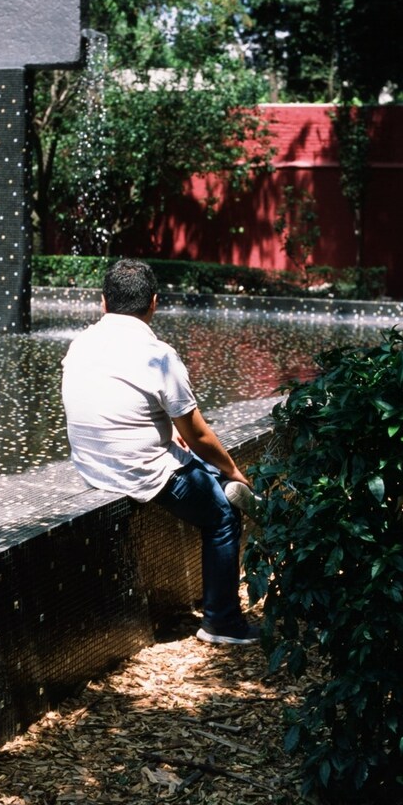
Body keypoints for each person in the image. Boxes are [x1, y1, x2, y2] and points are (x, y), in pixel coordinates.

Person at [61, 258, 260, 645]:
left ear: (103, 302)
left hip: (91, 464)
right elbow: (198, 433)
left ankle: (220, 586)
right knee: (223, 513)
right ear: (154, 303)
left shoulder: (80, 341)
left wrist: (171, 438)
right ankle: (222, 622)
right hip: (138, 470)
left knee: (203, 466)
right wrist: (234, 470)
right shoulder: (158, 355)